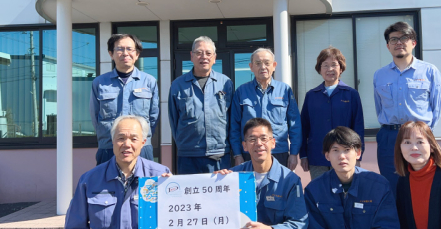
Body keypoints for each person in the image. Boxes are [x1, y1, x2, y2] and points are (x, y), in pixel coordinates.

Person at [64, 115, 171, 229]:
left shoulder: (160, 176)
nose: (127, 144)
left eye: (133, 139)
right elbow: (74, 228)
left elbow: (181, 218)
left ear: (143, 142)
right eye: (121, 138)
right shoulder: (90, 180)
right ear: (112, 141)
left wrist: (176, 192)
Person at [305, 127, 400, 229]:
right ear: (327, 155)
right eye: (335, 150)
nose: (342, 156)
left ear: (358, 153)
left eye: (347, 150)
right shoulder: (315, 190)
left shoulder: (378, 186)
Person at [218, 118, 308, 229]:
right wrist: (214, 185)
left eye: (264, 138)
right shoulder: (231, 177)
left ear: (273, 143)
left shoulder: (289, 180)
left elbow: (299, 225)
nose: (258, 144)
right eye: (252, 139)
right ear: (244, 146)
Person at [373, 21, 441, 195]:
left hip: (418, 136)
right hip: (389, 136)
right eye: (394, 39)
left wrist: (423, 133)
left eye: (404, 38)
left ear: (413, 43)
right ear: (388, 46)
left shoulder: (429, 71)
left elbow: (437, 107)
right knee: (392, 186)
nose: (399, 42)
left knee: (421, 184)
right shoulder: (379, 75)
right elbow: (379, 107)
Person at [90, 34, 159, 165]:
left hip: (141, 148)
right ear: (111, 54)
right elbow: (95, 116)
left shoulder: (149, 81)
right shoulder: (99, 83)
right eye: (120, 49)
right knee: (107, 179)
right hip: (109, 147)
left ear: (137, 54)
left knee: (144, 179)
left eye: (129, 49)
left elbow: (153, 117)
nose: (125, 53)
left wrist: (140, 137)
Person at [168, 36, 234, 174]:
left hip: (219, 154)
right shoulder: (178, 85)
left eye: (208, 53)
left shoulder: (225, 83)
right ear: (191, 56)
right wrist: (184, 145)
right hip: (188, 156)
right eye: (199, 53)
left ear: (214, 58)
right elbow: (174, 120)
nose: (204, 57)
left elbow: (232, 118)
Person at [230, 48, 301, 171]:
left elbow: (294, 124)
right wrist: (237, 154)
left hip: (279, 152)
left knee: (278, 184)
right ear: (251, 67)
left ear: (274, 66)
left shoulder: (285, 90)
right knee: (250, 184)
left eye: (267, 63)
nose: (263, 67)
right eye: (258, 63)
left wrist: (294, 153)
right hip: (250, 153)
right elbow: (234, 126)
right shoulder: (241, 91)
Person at [300, 46, 364, 180]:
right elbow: (304, 128)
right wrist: (303, 155)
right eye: (325, 65)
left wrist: (358, 156)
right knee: (320, 190)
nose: (330, 69)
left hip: (344, 156)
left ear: (341, 69)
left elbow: (358, 127)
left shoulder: (351, 94)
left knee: (345, 190)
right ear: (319, 69)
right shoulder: (311, 96)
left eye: (334, 65)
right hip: (317, 156)